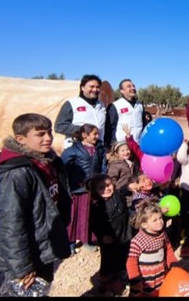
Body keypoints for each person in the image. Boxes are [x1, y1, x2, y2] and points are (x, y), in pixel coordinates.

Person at [0, 113, 72, 296]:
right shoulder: (16, 174)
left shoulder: (46, 162)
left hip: (43, 243)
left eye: (49, 132)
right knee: (23, 290)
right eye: (40, 134)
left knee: (41, 287)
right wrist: (22, 267)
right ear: (21, 139)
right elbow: (10, 224)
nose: (48, 138)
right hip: (27, 250)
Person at [61, 123, 107, 252]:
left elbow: (103, 166)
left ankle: (87, 240)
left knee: (89, 216)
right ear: (84, 135)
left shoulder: (100, 148)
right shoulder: (72, 150)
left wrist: (102, 181)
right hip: (78, 189)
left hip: (93, 188)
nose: (97, 136)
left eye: (97, 134)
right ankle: (69, 243)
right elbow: (63, 170)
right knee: (74, 216)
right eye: (94, 134)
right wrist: (67, 187)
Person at [88, 174, 135, 296]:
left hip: (125, 232)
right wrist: (102, 236)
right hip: (109, 238)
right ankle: (108, 281)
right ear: (95, 191)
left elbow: (124, 190)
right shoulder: (97, 206)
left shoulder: (117, 195)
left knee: (124, 255)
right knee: (109, 261)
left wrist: (130, 187)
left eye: (108, 185)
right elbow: (94, 224)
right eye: (101, 188)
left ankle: (121, 277)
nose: (106, 189)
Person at [126, 198, 178, 297]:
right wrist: (135, 280)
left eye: (160, 218)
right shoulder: (138, 241)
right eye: (155, 220)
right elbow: (131, 260)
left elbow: (168, 249)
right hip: (145, 281)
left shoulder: (162, 234)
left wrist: (173, 263)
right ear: (144, 224)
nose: (160, 222)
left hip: (160, 275)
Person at [55, 74, 106, 150]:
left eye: (97, 87)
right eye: (91, 87)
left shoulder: (102, 105)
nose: (95, 89)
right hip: (77, 150)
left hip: (97, 149)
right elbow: (59, 126)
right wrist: (83, 131)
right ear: (82, 88)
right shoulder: (72, 104)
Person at [104, 79, 146, 148]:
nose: (132, 88)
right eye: (129, 86)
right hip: (122, 147)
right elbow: (110, 128)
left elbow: (144, 124)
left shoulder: (140, 105)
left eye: (133, 86)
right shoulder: (115, 105)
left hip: (138, 146)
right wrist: (111, 145)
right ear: (122, 91)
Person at [106, 140, 139, 208]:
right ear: (117, 153)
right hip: (121, 193)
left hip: (132, 194)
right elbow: (112, 179)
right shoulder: (115, 165)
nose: (126, 152)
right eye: (122, 151)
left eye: (127, 149)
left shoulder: (131, 163)